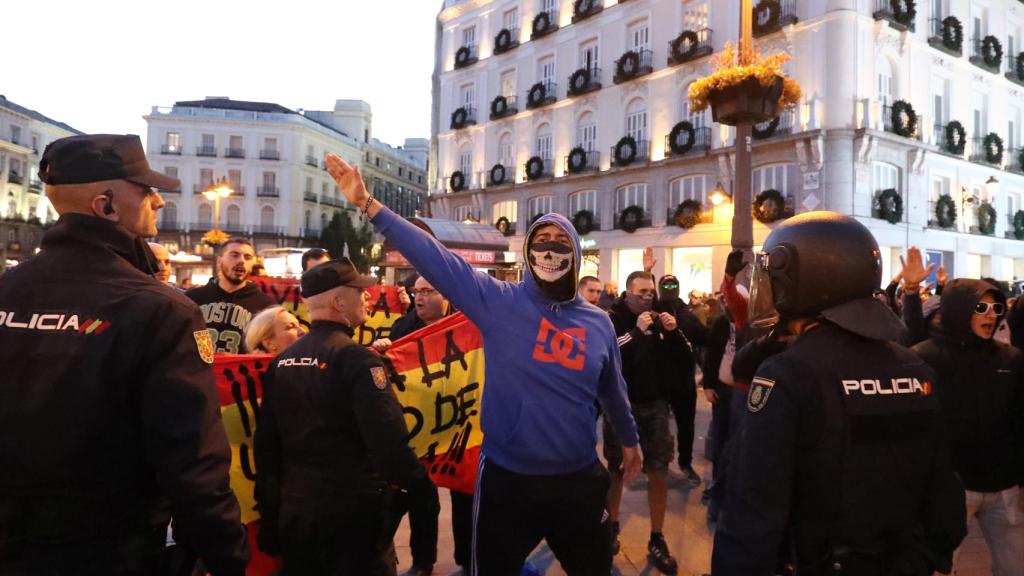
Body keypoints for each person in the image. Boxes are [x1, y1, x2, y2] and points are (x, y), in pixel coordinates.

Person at [325, 153, 640, 576]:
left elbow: (612, 389)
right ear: (527, 253)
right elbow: (436, 258)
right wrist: (368, 205)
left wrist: (632, 439)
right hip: (507, 483)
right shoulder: (498, 301)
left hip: (579, 482)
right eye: (541, 243)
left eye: (560, 244)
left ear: (576, 256)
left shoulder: (598, 322)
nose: (550, 252)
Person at [0, 134, 249, 575]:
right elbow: (192, 460)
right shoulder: (160, 310)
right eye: (145, 190)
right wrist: (226, 556)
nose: (157, 201)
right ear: (106, 205)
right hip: (109, 550)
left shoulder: (8, 291)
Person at [712, 212, 966, 575]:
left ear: (799, 279)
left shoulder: (788, 375)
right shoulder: (916, 369)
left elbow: (752, 512)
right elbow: (945, 499)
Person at [254, 258, 438, 575]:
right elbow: (390, 446)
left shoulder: (282, 361)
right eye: (359, 290)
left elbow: (267, 449)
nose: (368, 296)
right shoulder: (356, 360)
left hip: (297, 515)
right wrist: (423, 495)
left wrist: (271, 519)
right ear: (339, 302)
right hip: (354, 523)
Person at [912, 279, 1024, 575]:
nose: (991, 314)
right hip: (950, 489)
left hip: (1004, 488)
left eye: (996, 308)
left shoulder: (1010, 359)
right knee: (940, 567)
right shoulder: (925, 357)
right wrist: (910, 293)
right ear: (959, 311)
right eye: (981, 307)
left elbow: (1019, 420)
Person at [375, 276, 468, 574]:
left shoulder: (465, 324)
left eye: (428, 291)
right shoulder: (403, 327)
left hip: (460, 423)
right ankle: (423, 561)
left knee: (465, 495)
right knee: (420, 495)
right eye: (417, 291)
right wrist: (382, 351)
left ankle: (467, 559)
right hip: (420, 427)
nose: (420, 297)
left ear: (447, 294)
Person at [605, 271, 689, 574]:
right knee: (616, 470)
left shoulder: (659, 317)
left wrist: (675, 331)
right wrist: (637, 333)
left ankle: (656, 537)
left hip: (655, 405)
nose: (647, 296)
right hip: (621, 404)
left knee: (659, 470)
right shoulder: (613, 317)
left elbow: (687, 358)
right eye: (641, 292)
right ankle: (610, 529)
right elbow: (609, 355)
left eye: (650, 291)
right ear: (628, 293)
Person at [654, 273, 707, 486]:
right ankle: (655, 464)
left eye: (672, 284)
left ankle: (685, 463)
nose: (668, 288)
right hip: (658, 380)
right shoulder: (652, 312)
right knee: (655, 425)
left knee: (686, 425)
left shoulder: (686, 314)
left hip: (683, 380)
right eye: (665, 284)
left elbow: (704, 340)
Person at [186, 238, 275, 353]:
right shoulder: (192, 298)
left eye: (247, 257)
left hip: (240, 370)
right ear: (219, 261)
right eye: (234, 255)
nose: (241, 261)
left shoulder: (266, 306)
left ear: (252, 265)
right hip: (197, 369)